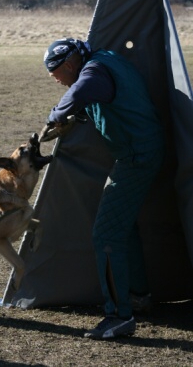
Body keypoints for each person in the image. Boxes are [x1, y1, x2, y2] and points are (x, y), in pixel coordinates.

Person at [41, 37, 164, 340]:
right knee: (123, 227)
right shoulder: (107, 59)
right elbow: (103, 100)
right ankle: (137, 295)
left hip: (136, 157)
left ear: (70, 64)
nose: (57, 81)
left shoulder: (93, 73)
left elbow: (78, 93)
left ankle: (119, 316)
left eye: (57, 75)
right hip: (143, 150)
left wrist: (54, 118)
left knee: (106, 234)